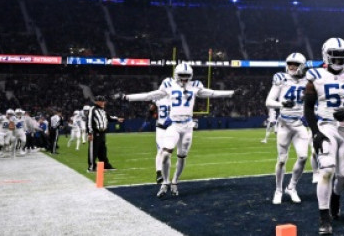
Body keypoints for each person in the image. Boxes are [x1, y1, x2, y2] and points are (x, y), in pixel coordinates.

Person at [120, 63, 235, 197]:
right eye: (182, 76)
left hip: (187, 126)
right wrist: (129, 97)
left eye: (187, 76)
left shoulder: (195, 85)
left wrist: (230, 93)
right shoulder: (168, 85)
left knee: (181, 156)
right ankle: (165, 182)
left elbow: (213, 93)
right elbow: (149, 95)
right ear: (176, 75)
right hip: (173, 124)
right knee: (165, 155)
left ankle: (175, 181)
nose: (184, 79)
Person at [303, 37, 344, 236]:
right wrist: (315, 133)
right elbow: (308, 108)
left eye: (341, 57)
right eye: (335, 57)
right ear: (326, 56)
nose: (338, 61)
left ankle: (335, 197)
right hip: (325, 126)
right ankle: (324, 217)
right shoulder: (314, 75)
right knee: (327, 170)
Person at [265, 52, 311, 205]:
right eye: (290, 64)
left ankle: (291, 187)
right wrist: (282, 104)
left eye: (295, 64)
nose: (291, 67)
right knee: (282, 160)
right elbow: (269, 101)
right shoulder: (281, 79)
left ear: (302, 66)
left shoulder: (308, 80)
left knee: (303, 157)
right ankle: (278, 190)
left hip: (299, 124)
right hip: (284, 123)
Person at [86, 96, 123, 172]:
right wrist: (90, 133)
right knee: (93, 150)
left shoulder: (103, 111)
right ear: (97, 102)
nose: (103, 102)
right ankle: (91, 167)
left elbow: (109, 117)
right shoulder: (92, 109)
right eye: (101, 101)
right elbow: (89, 121)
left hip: (102, 133)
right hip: (95, 133)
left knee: (103, 151)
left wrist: (117, 119)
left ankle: (105, 166)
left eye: (103, 101)